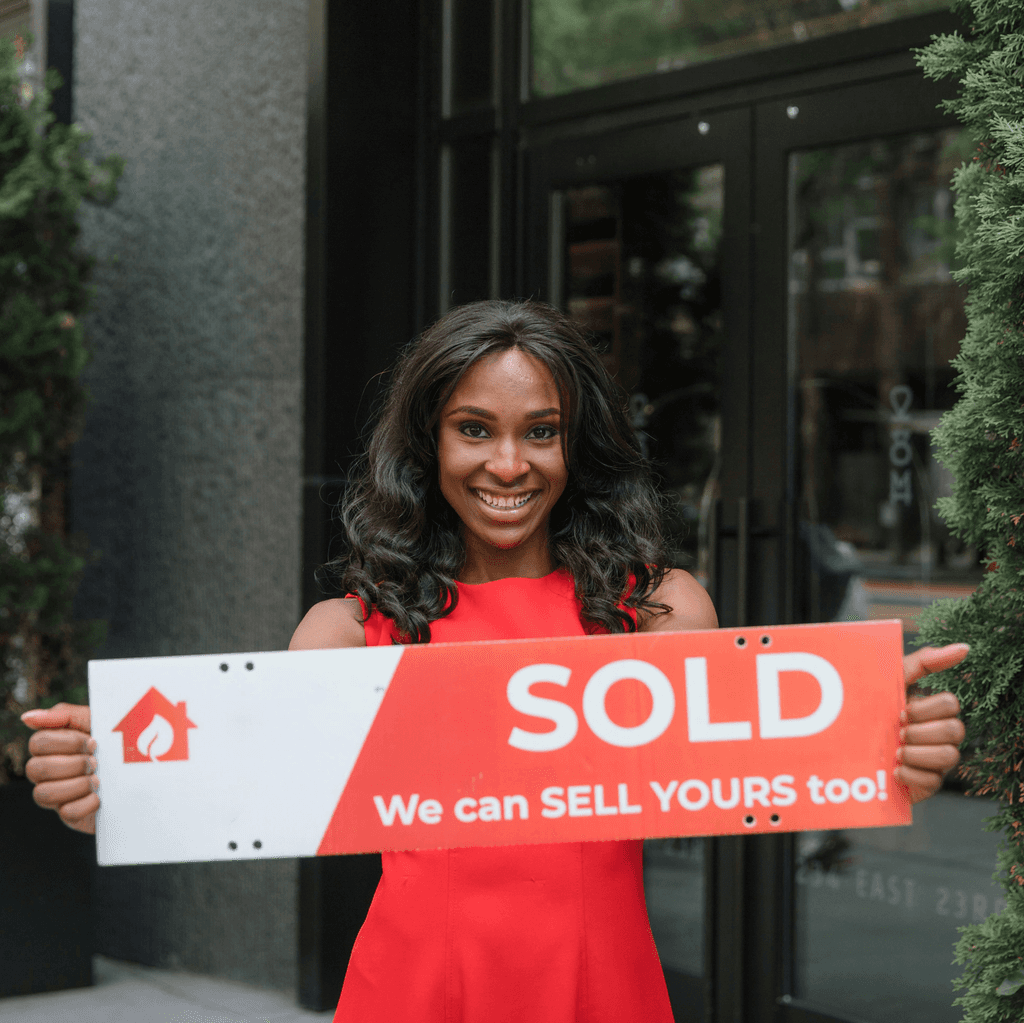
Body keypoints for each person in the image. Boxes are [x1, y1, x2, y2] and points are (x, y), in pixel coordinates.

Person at [22, 299, 968, 1022]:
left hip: (601, 986)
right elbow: (241, 781)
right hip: (414, 988)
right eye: (475, 428)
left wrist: (878, 744)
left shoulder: (659, 611)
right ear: (429, 444)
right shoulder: (349, 631)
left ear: (575, 444)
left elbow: (744, 763)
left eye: (540, 430)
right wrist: (120, 780)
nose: (508, 464)